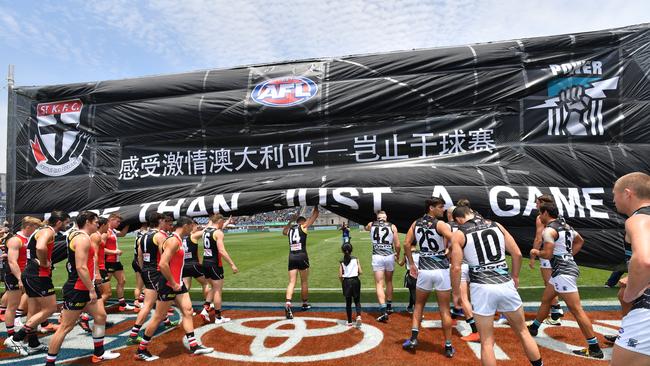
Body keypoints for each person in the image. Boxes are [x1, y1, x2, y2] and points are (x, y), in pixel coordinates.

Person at [450, 206, 542, 366]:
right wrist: (515, 276)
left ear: (458, 219)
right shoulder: (496, 225)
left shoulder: (459, 233)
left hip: (482, 288)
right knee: (523, 332)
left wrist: (456, 292)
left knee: (486, 342)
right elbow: (517, 254)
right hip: (505, 283)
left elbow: (456, 267)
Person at [528, 202, 603, 359]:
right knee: (546, 299)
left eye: (540, 213)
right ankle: (534, 328)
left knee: (576, 310)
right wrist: (568, 256)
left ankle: (595, 348)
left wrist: (535, 251)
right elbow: (580, 241)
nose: (539, 217)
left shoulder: (549, 230)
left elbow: (547, 254)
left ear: (546, 213)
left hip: (563, 272)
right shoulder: (566, 226)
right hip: (563, 270)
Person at [45, 211, 120, 365]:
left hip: (85, 285)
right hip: (79, 288)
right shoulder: (81, 238)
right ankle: (49, 363)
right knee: (65, 327)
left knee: (100, 316)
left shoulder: (78, 235)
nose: (98, 224)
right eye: (96, 221)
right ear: (87, 221)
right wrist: (92, 289)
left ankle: (99, 353)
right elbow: (81, 267)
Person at [135, 216, 213, 361]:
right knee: (158, 317)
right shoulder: (173, 240)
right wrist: (173, 282)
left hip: (178, 283)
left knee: (188, 311)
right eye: (192, 226)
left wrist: (178, 282)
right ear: (186, 225)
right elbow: (163, 264)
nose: (193, 229)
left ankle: (194, 346)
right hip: (169, 284)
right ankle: (141, 349)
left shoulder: (177, 239)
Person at [5, 210, 70, 356]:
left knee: (33, 311)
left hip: (31, 273)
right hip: (38, 275)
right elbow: (40, 247)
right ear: (59, 222)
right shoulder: (48, 231)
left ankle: (33, 343)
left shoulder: (42, 230)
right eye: (66, 223)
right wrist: (45, 262)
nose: (68, 225)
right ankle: (16, 338)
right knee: (51, 308)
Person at [402, 198, 456, 358]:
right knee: (445, 310)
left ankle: (413, 339)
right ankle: (448, 346)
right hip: (441, 271)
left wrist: (412, 264)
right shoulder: (440, 224)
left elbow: (406, 244)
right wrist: (448, 252)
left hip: (424, 271)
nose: (443, 210)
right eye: (440, 207)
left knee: (418, 306)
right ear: (431, 208)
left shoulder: (416, 223)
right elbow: (454, 238)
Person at [610, 172, 650, 365]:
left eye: (614, 194)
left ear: (627, 194)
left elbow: (644, 260)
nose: (613, 200)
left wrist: (630, 294)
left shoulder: (637, 220)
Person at [126, 212, 176, 346]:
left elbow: (140, 256)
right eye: (163, 220)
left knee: (157, 300)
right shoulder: (159, 236)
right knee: (151, 303)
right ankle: (133, 334)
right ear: (159, 221)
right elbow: (164, 256)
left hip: (148, 270)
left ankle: (166, 322)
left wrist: (144, 270)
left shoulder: (142, 236)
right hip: (157, 271)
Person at [528, 194, 565, 325]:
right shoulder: (559, 217)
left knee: (549, 283)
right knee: (553, 282)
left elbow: (538, 238)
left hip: (548, 253)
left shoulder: (541, 218)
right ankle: (555, 311)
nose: (536, 205)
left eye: (537, 203)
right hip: (559, 252)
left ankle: (556, 311)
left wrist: (533, 256)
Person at [4, 217, 41, 341]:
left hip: (27, 275)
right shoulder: (16, 240)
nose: (37, 230)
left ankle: (32, 335)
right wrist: (20, 278)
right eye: (35, 227)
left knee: (36, 303)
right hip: (14, 275)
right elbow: (12, 261)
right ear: (28, 226)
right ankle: (10, 336)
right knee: (12, 305)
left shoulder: (29, 239)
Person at [447, 204, 480, 342]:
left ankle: (475, 330)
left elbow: (449, 247)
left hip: (461, 265)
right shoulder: (478, 225)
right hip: (476, 264)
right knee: (477, 297)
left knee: (462, 298)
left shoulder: (452, 228)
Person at [283, 206, 319, 319]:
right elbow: (315, 215)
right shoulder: (303, 227)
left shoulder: (290, 230)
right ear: (302, 222)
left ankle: (288, 303)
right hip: (302, 256)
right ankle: (304, 303)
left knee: (291, 282)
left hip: (292, 257)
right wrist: (316, 205)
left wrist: (291, 220)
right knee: (304, 281)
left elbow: (283, 231)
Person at [201, 214, 238, 324]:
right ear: (219, 221)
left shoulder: (206, 231)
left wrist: (227, 222)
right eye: (223, 222)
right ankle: (218, 317)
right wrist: (232, 264)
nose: (224, 224)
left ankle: (206, 307)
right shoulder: (218, 233)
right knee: (218, 290)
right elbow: (221, 251)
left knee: (213, 287)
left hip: (206, 262)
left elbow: (217, 228)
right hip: (215, 264)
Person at [365, 211, 400, 322]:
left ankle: (383, 310)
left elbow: (367, 227)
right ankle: (389, 306)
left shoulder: (371, 225)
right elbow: (397, 245)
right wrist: (397, 254)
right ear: (386, 218)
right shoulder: (392, 226)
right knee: (389, 281)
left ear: (377, 218)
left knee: (379, 283)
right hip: (389, 256)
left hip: (377, 256)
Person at [182, 221, 213, 322]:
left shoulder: (182, 236)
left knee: (186, 288)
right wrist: (211, 220)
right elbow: (206, 230)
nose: (197, 227)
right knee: (206, 283)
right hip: (193, 265)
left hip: (184, 265)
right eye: (195, 226)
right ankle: (207, 303)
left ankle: (187, 309)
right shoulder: (193, 236)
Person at [103, 213, 132, 311]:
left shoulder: (113, 231)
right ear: (110, 220)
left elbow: (122, 234)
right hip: (108, 261)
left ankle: (122, 304)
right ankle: (92, 308)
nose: (119, 224)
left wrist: (130, 223)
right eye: (117, 221)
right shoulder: (105, 232)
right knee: (104, 288)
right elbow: (100, 249)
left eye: (120, 222)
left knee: (122, 281)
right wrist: (114, 252)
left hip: (116, 261)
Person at [339, 242, 362, 328]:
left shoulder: (341, 261)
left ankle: (349, 321)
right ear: (351, 250)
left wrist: (343, 282)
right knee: (357, 300)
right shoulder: (356, 259)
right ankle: (358, 316)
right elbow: (360, 271)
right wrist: (355, 276)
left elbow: (340, 275)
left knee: (348, 303)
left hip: (346, 282)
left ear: (342, 251)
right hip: (355, 280)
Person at [132, 223, 149, 311]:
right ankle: (141, 301)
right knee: (149, 284)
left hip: (135, 260)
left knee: (139, 285)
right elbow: (141, 253)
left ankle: (137, 303)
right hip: (141, 261)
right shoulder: (145, 236)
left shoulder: (138, 235)